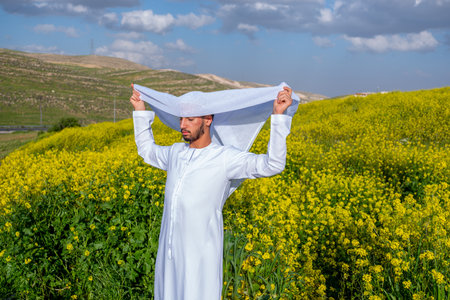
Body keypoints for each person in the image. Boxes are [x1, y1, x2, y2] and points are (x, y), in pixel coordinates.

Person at [130, 84, 293, 300]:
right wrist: (140, 109)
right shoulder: (175, 153)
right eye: (181, 119)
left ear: (208, 120)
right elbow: (147, 150)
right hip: (169, 255)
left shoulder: (225, 158)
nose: (183, 125)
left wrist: (278, 116)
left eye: (190, 119)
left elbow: (273, 165)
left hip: (200, 257)